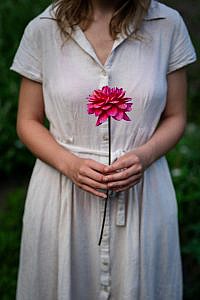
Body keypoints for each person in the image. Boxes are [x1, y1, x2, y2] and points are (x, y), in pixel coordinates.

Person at [10, 0, 196, 299]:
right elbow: (27, 121)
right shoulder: (43, 28)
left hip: (143, 195)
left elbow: (176, 116)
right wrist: (70, 164)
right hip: (61, 195)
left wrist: (144, 155)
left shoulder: (167, 24)